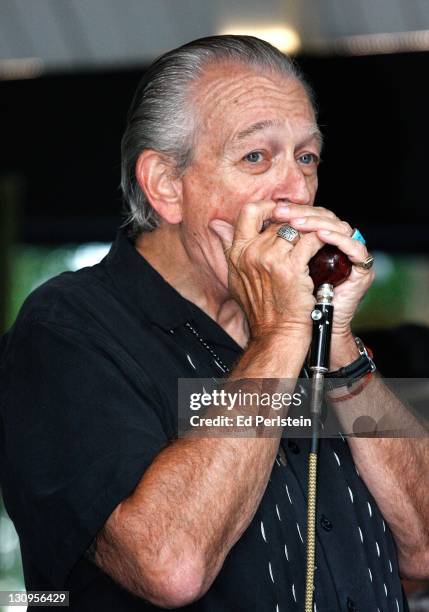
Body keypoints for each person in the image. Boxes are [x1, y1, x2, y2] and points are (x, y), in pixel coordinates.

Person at [0, 35, 427, 611]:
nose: (296, 191)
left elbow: (423, 549)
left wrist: (341, 342)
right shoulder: (67, 329)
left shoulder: (317, 332)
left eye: (306, 157)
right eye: (256, 157)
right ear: (166, 186)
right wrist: (278, 340)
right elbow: (171, 565)